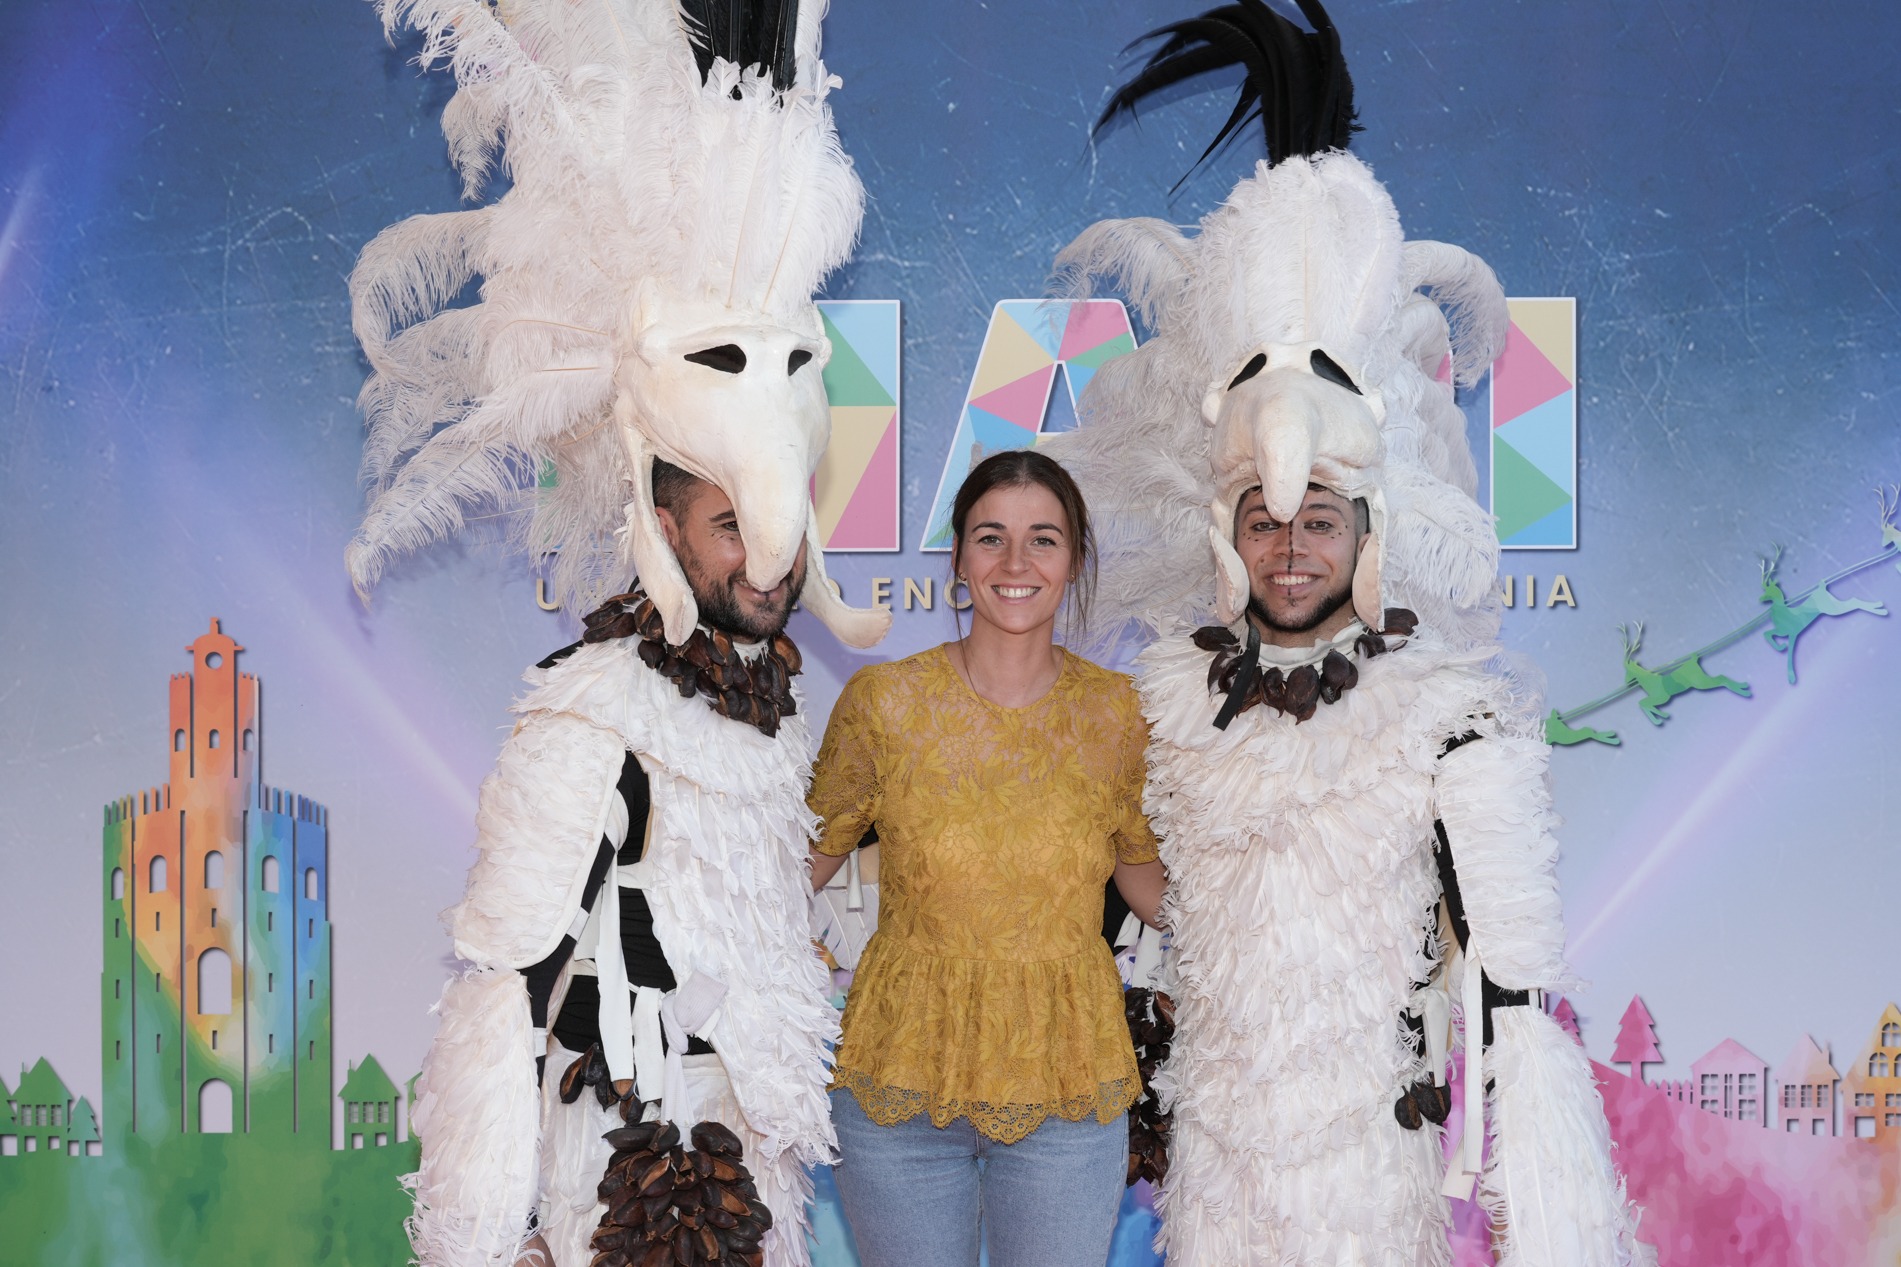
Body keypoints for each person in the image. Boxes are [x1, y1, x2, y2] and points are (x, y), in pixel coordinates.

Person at [1045, 2, 1653, 1263]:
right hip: (1210, 1196)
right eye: (1263, 520)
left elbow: (1512, 1001)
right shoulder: (1163, 705)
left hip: (1372, 1204)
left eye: (1316, 518)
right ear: (1224, 534)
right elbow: (1102, 900)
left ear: (1367, 529)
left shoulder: (1451, 719)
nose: (1289, 545)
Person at [341, 3, 892, 1265]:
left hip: (756, 1181)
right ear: (662, 519)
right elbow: (501, 985)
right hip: (618, 1174)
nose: (763, 559)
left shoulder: (775, 708)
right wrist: (482, 1237)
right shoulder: (584, 706)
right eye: (726, 523)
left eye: (776, 523)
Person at [806, 450, 1167, 1267]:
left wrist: (1270, 904)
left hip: (1065, 1081)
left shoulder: (1121, 716)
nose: (1014, 562)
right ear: (960, 558)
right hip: (898, 1082)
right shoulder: (884, 704)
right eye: (990, 537)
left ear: (1074, 559)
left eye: (1042, 539)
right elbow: (799, 868)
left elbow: (1145, 880)